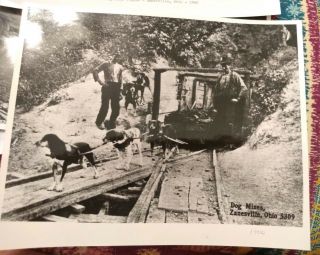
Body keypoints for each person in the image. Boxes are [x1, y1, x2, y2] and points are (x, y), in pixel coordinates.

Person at [213, 55, 248, 142]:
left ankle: (233, 141)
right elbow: (215, 92)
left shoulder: (234, 75)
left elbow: (244, 88)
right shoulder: (220, 77)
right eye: (223, 65)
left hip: (232, 103)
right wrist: (215, 105)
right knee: (220, 122)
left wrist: (238, 99)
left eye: (226, 65)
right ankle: (221, 142)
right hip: (221, 104)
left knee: (232, 122)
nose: (224, 67)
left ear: (230, 65)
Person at [92, 54, 124, 130]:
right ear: (113, 56)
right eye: (116, 56)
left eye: (119, 56)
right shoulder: (106, 64)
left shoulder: (120, 66)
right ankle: (98, 122)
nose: (117, 58)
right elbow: (95, 70)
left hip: (116, 87)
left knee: (116, 108)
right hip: (107, 86)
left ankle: (111, 123)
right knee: (105, 106)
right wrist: (100, 81)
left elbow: (120, 79)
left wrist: (120, 91)